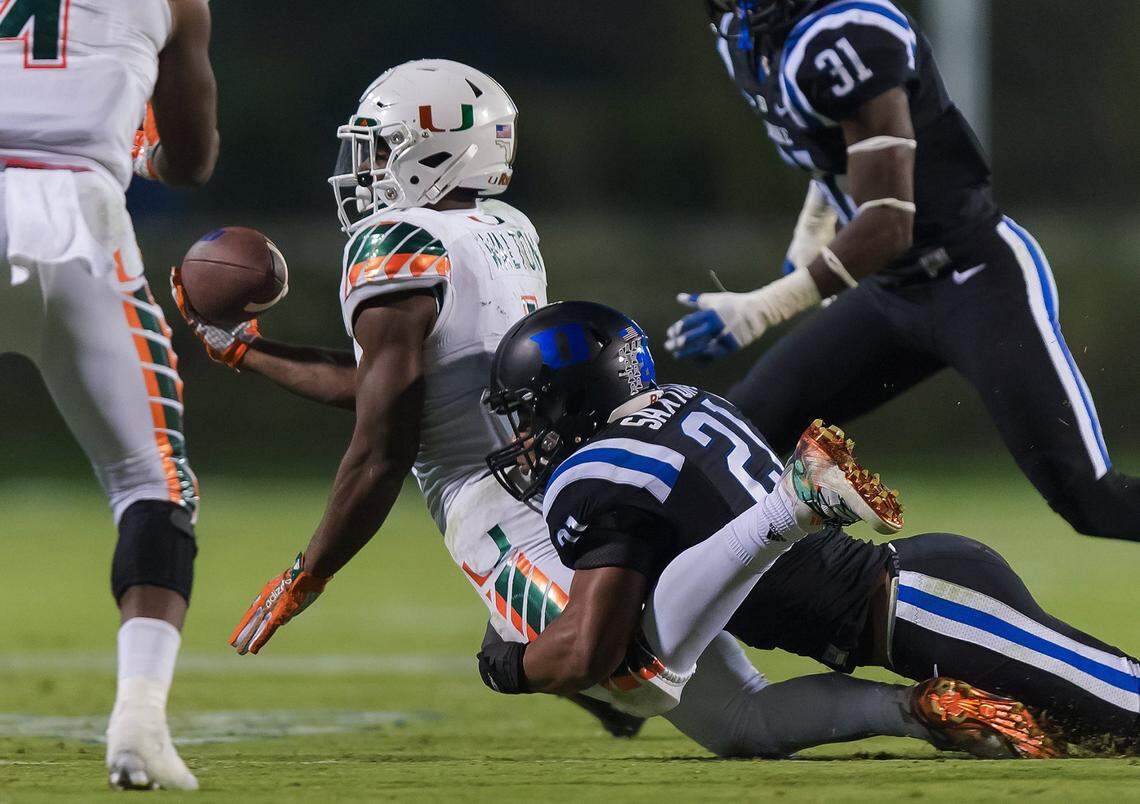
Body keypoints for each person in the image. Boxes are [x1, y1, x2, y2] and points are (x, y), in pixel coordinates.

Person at [178, 60, 1017, 760]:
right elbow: (395, 387)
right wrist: (244, 349)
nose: (364, 166)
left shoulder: (396, 241)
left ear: (434, 153)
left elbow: (386, 440)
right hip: (593, 470)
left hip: (503, 506)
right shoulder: (505, 228)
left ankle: (788, 510)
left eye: (383, 146)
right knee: (732, 722)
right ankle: (924, 710)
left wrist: (313, 568)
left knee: (630, 677)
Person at [478, 300, 1139, 755]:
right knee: (1098, 735)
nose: (527, 438)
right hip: (913, 606)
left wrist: (511, 662)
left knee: (1130, 711)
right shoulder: (682, 406)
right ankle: (919, 705)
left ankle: (789, 509)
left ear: (573, 399)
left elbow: (598, 653)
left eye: (531, 415)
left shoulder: (594, 473)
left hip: (927, 605)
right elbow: (734, 715)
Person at [665, 0, 1139, 540]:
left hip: (976, 278)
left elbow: (890, 223)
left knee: (1090, 499)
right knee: (737, 435)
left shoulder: (845, 36)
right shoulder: (758, 44)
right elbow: (836, 157)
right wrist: (811, 237)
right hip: (893, 294)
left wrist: (764, 306)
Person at [0, 0, 219, 790]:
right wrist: (131, 140)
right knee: (150, 484)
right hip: (80, 222)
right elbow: (191, 161)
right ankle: (140, 720)